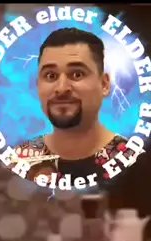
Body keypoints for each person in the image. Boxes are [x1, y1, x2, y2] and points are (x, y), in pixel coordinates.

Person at [14, 28, 131, 186]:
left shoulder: (133, 160)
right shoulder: (19, 163)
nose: (61, 88)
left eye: (77, 74)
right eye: (51, 75)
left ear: (104, 84)